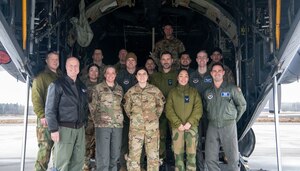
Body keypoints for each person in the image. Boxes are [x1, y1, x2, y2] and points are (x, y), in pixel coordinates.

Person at [45, 57, 88, 171]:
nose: (73, 68)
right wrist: (53, 129)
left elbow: (84, 107)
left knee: (78, 162)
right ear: (66, 67)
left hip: (80, 129)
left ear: (79, 69)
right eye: (71, 66)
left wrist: (84, 124)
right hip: (64, 129)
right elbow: (50, 109)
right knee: (62, 163)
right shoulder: (57, 85)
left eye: (76, 66)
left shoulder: (82, 86)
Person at [203, 62, 247, 171]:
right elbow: (205, 109)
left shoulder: (232, 89)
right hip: (212, 126)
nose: (217, 73)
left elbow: (242, 105)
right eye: (214, 71)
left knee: (233, 158)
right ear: (211, 73)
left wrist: (233, 119)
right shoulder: (208, 92)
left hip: (228, 126)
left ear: (223, 73)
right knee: (210, 158)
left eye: (219, 71)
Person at [124, 68, 165, 171]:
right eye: (139, 74)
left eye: (144, 74)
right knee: (134, 156)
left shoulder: (155, 91)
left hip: (152, 129)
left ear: (147, 76)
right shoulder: (131, 91)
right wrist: (136, 118)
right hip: (136, 129)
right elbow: (127, 108)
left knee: (153, 156)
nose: (142, 76)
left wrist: (153, 118)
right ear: (136, 77)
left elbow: (160, 106)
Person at [166, 69, 202, 171]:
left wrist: (190, 122)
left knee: (191, 155)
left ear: (188, 78)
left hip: (191, 128)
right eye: (181, 76)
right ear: (177, 78)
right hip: (177, 128)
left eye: (186, 76)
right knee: (178, 156)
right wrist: (178, 124)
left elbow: (198, 109)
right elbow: (169, 110)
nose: (183, 78)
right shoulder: (172, 92)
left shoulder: (194, 92)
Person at [89, 66, 124, 171]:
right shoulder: (98, 88)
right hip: (102, 125)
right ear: (104, 75)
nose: (110, 75)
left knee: (115, 154)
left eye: (113, 73)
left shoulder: (120, 89)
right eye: (108, 73)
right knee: (103, 155)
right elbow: (92, 107)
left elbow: (122, 105)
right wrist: (97, 121)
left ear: (115, 74)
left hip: (117, 126)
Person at [31, 51, 61, 171]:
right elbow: (36, 98)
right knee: (45, 150)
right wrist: (42, 115)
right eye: (52, 59)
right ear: (47, 61)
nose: (55, 61)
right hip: (46, 120)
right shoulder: (41, 77)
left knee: (58, 152)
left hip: (59, 120)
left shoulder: (61, 76)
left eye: (57, 59)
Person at [150, 51, 177, 168]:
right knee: (160, 136)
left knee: (175, 136)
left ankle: (176, 160)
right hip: (158, 113)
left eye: (168, 59)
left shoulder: (177, 75)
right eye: (163, 59)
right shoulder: (155, 76)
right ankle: (161, 159)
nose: (166, 62)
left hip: (173, 112)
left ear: (172, 61)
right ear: (160, 61)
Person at [189, 50, 212, 171]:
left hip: (210, 114)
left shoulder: (213, 75)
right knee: (196, 142)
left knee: (210, 142)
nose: (202, 60)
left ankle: (209, 166)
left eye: (204, 57)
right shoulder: (192, 76)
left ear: (208, 60)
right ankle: (200, 167)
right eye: (199, 57)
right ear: (196, 60)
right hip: (196, 115)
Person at [116, 52, 138, 171]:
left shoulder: (140, 74)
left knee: (138, 142)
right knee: (124, 141)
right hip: (124, 116)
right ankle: (123, 165)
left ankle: (138, 165)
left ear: (136, 62)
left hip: (138, 117)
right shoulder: (120, 75)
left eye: (133, 60)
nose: (130, 62)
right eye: (128, 60)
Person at [82, 63, 101, 171]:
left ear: (99, 73)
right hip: (87, 120)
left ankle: (98, 166)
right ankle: (85, 166)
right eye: (91, 70)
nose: (94, 73)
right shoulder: (83, 85)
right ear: (88, 73)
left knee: (99, 144)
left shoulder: (102, 85)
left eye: (96, 71)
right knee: (86, 143)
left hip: (99, 120)